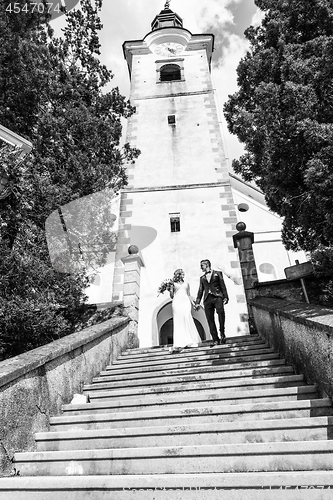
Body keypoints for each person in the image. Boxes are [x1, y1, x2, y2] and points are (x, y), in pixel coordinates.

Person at [195, 259, 229, 346]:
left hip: (217, 297)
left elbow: (222, 285)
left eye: (201, 265)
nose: (200, 267)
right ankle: (215, 339)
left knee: (221, 312)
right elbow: (200, 290)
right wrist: (197, 302)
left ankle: (222, 332)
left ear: (206, 265)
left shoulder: (218, 274)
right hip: (207, 299)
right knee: (210, 319)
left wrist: (226, 297)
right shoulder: (202, 278)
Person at [169, 269, 202, 353]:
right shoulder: (173, 284)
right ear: (178, 275)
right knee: (178, 321)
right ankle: (180, 342)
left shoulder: (187, 284)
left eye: (183, 274)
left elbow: (189, 295)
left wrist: (193, 304)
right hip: (177, 302)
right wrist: (170, 289)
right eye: (182, 274)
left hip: (185, 302)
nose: (183, 275)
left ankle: (190, 340)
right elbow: (172, 296)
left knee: (187, 317)